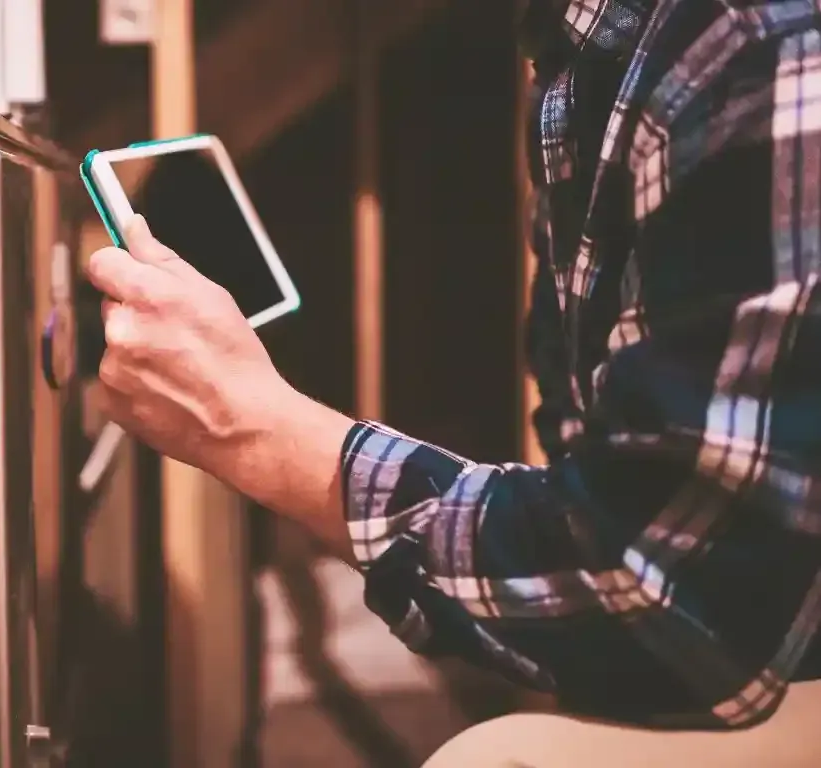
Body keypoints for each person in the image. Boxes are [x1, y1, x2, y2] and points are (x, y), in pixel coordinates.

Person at [84, 0, 821, 764]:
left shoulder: (751, 41)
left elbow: (677, 589)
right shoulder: (581, 51)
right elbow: (592, 475)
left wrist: (258, 432)